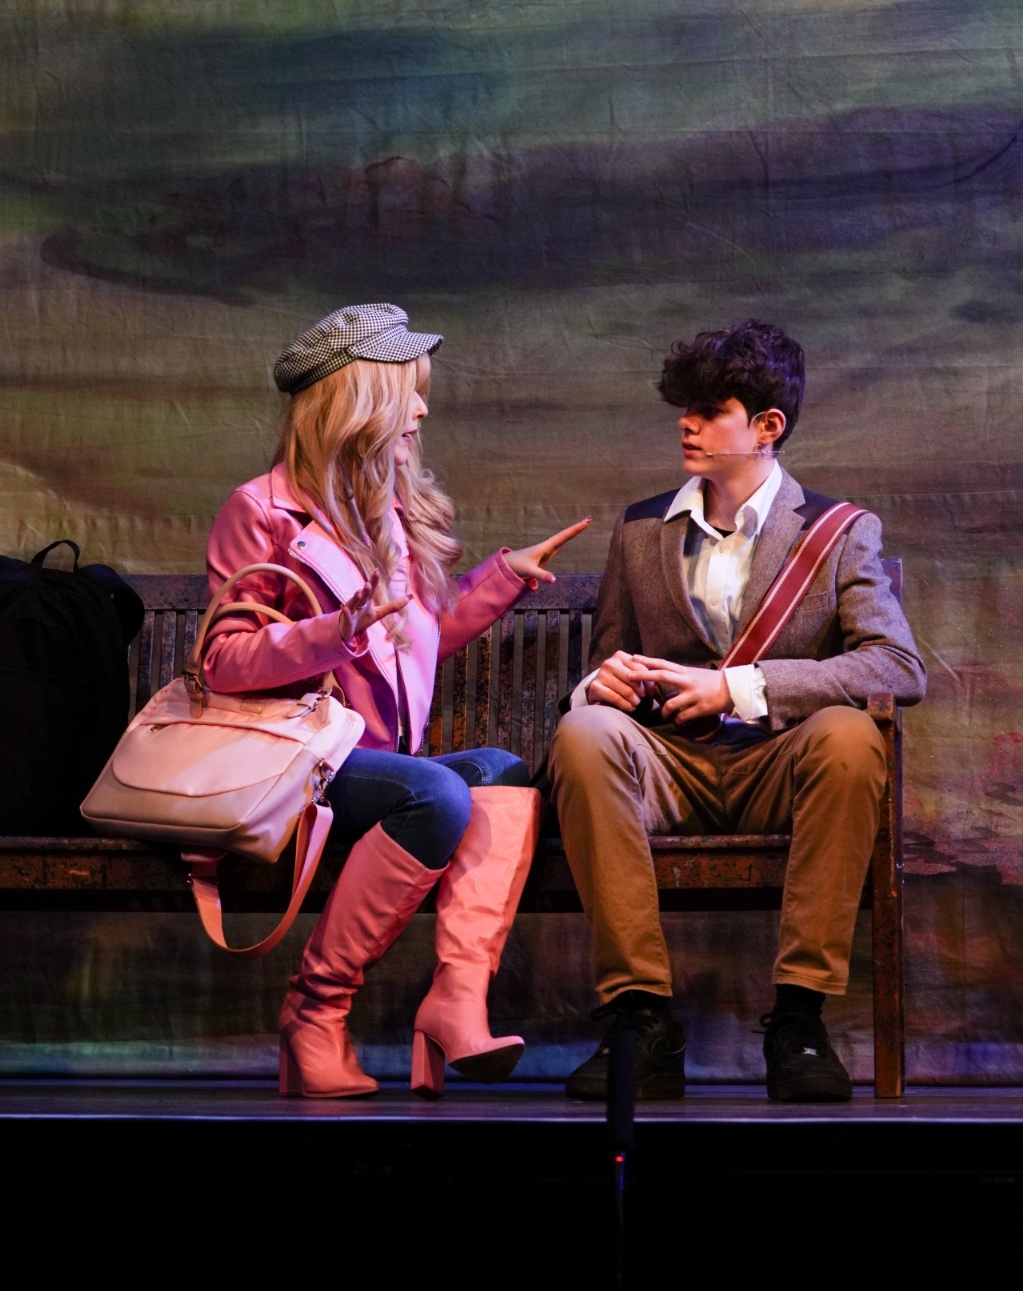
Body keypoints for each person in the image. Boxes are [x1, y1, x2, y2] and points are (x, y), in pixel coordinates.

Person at [203, 302, 589, 1099]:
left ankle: (457, 999)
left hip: (379, 769)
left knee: (500, 772)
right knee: (437, 793)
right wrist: (331, 633)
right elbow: (223, 662)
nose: (421, 409)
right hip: (300, 768)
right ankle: (315, 1012)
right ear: (358, 401)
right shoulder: (262, 510)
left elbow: (407, 647)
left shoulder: (389, 510)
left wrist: (502, 578)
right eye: (407, 391)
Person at [548, 320, 926, 1103]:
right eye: (683, 408)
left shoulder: (838, 532)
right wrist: (598, 687)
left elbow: (895, 667)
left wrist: (738, 687)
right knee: (583, 731)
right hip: (668, 768)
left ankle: (798, 1018)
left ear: (766, 426)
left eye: (708, 410)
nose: (685, 424)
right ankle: (640, 1018)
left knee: (851, 736)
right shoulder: (639, 528)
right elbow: (607, 663)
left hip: (778, 766)